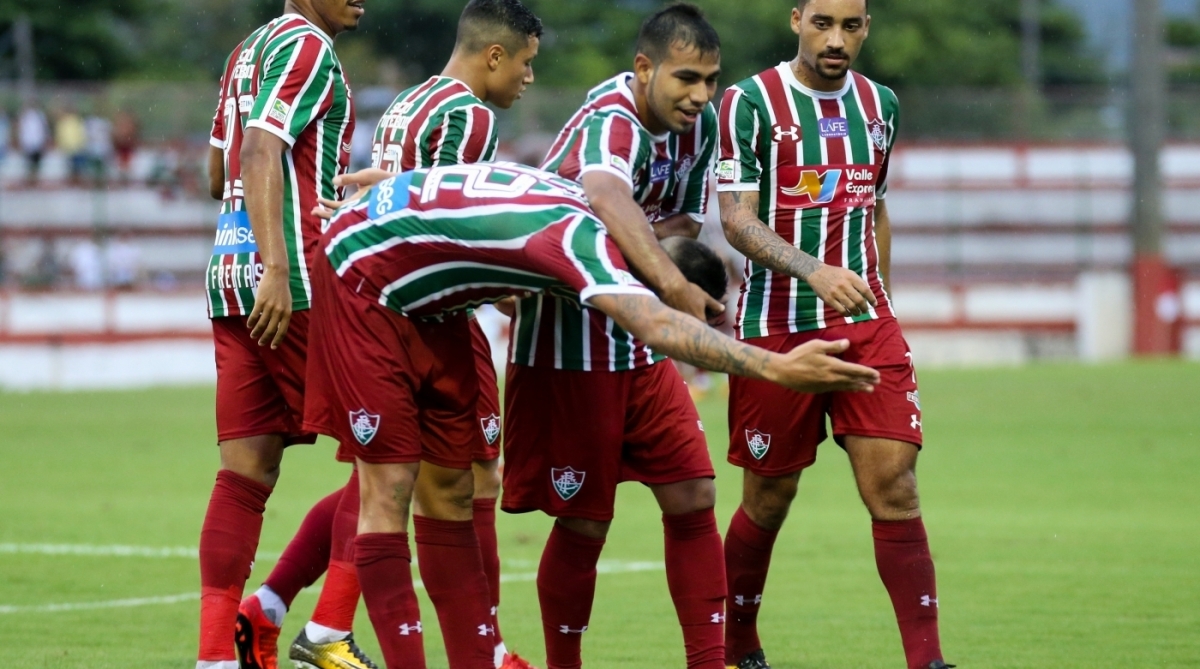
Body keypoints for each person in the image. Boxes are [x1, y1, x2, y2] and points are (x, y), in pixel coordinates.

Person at [307, 161, 880, 669]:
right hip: (362, 281)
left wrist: (399, 190)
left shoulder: (591, 212)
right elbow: (655, 327)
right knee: (390, 488)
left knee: (452, 492)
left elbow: (483, 192)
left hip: (428, 295)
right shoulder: (589, 247)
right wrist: (778, 369)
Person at [249, 2, 542, 668]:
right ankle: (484, 648)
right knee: (460, 478)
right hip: (426, 308)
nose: (528, 77)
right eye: (526, 62)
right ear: (494, 55)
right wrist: (512, 282)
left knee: (382, 479)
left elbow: (407, 193)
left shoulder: (412, 98)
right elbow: (450, 222)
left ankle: (285, 608)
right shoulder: (470, 115)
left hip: (377, 300)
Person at [714, 2, 952, 668]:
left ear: (867, 27)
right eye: (823, 23)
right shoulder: (749, 102)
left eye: (851, 25)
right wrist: (811, 268)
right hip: (775, 328)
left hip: (865, 325)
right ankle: (738, 646)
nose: (836, 39)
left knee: (895, 484)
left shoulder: (882, 105)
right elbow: (735, 219)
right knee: (769, 492)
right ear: (796, 20)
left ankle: (927, 659)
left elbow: (873, 207)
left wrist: (885, 306)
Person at [504, 5, 728, 668]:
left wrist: (667, 267)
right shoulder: (611, 119)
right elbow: (605, 193)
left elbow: (681, 218)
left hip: (635, 337)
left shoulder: (700, 127)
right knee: (586, 519)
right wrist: (675, 285)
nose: (700, 95)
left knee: (693, 492)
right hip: (568, 343)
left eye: (711, 80)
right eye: (686, 78)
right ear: (643, 68)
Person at [197, 1, 364, 669]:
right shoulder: (308, 46)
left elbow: (219, 174)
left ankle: (218, 653)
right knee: (389, 458)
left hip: (228, 272)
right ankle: (327, 632)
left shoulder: (247, 49)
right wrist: (277, 263)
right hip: (288, 279)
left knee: (245, 475)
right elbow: (264, 146)